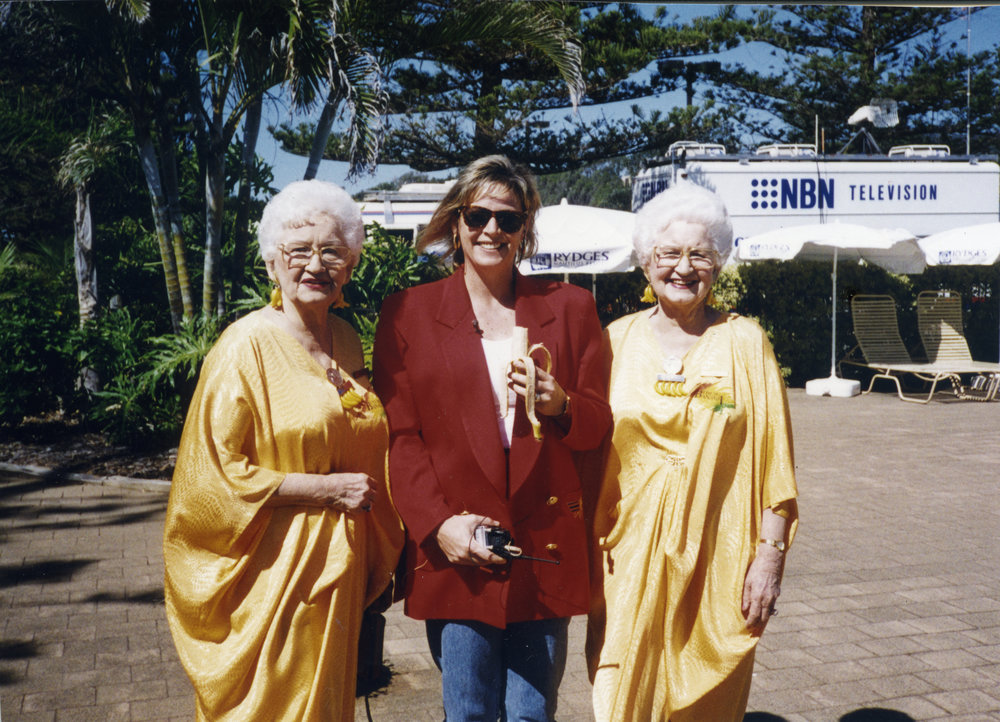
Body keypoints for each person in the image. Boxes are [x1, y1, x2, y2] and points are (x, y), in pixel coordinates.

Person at [372, 155, 612, 721]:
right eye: (478, 216)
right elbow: (401, 439)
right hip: (459, 548)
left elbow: (600, 424)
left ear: (526, 228)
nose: (492, 231)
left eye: (509, 219)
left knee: (532, 715)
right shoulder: (408, 313)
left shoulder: (570, 308)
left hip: (543, 547)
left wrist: (562, 405)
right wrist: (438, 525)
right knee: (470, 714)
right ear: (455, 223)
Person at [163, 180, 403, 720]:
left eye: (332, 251)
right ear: (273, 264)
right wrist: (326, 488)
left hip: (338, 569)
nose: (315, 264)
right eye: (299, 250)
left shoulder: (344, 338)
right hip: (272, 573)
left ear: (349, 265)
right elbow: (213, 476)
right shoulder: (242, 346)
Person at [586, 182, 799, 722]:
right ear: (645, 263)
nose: (683, 267)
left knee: (707, 701)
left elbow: (776, 459)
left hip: (719, 554)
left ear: (718, 263)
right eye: (669, 254)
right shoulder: (613, 341)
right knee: (619, 693)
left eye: (699, 254)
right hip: (625, 557)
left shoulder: (746, 342)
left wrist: (770, 558)